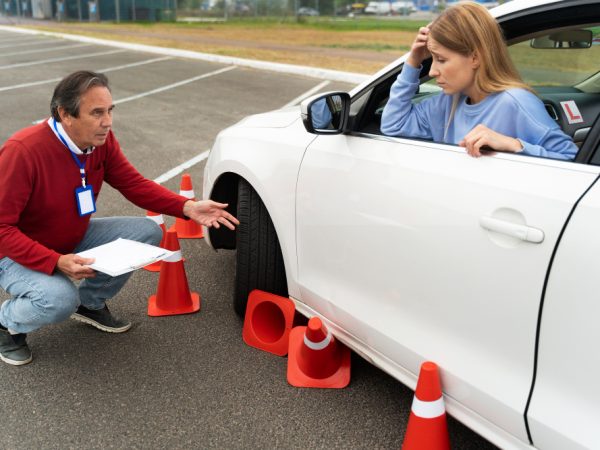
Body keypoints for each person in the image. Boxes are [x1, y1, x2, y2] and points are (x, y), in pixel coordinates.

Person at [0, 70, 239, 366]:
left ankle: (89, 303)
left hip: (71, 238)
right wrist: (55, 262)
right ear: (65, 114)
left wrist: (187, 207)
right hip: (14, 255)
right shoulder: (23, 151)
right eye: (97, 112)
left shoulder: (101, 142)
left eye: (110, 110)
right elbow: (2, 228)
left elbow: (133, 184)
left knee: (147, 231)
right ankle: (7, 324)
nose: (108, 122)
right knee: (59, 300)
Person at [380, 2, 578, 161]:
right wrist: (414, 60)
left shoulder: (515, 102)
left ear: (475, 57)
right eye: (431, 59)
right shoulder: (445, 103)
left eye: (441, 59)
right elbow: (393, 126)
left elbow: (569, 157)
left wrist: (513, 145)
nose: (431, 71)